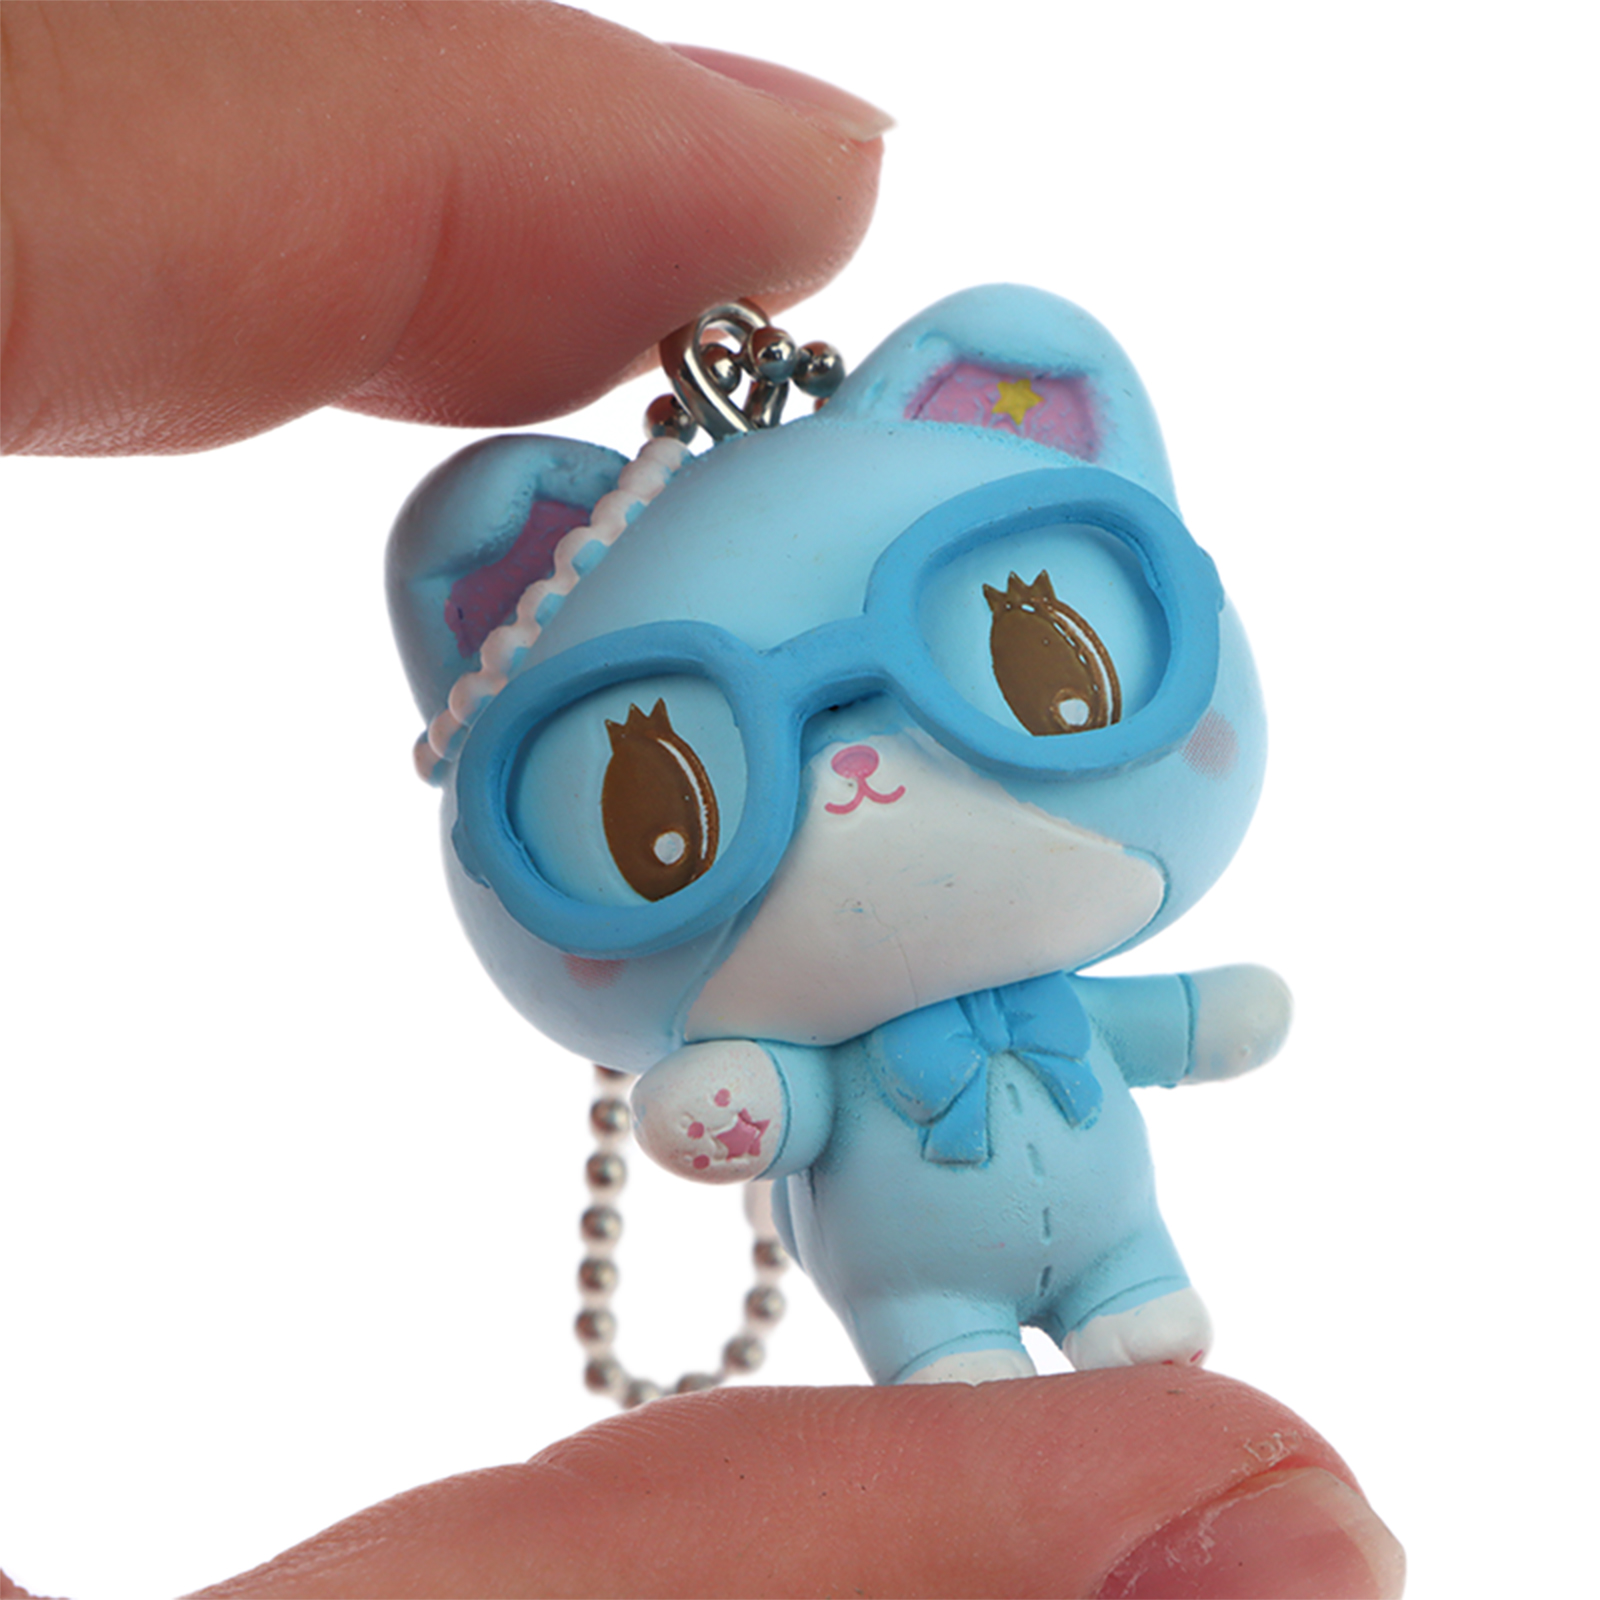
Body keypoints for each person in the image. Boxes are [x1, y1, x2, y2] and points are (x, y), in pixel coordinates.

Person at [0, 5, 1404, 1596]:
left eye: (1038, 671)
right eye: (659, 801)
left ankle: (1127, 1285)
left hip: (1110, 1218)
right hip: (912, 1289)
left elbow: (1159, 1024)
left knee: (1137, 1307)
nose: (858, 774)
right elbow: (766, 1116)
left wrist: (1213, 1017)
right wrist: (729, 1109)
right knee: (954, 1380)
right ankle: (949, 1343)